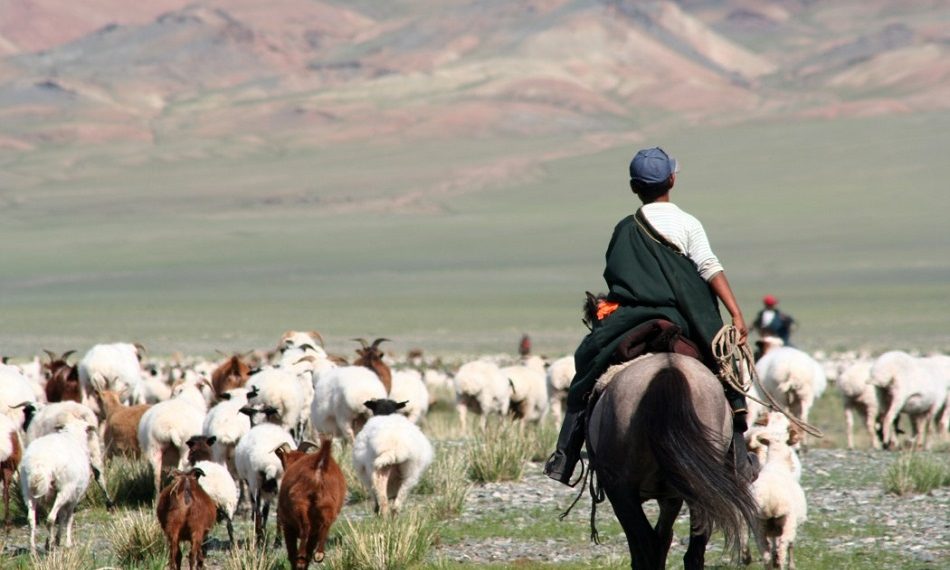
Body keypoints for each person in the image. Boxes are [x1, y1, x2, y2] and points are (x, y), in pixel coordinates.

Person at [544, 147, 755, 485]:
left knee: (588, 362)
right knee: (726, 366)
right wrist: (736, 313)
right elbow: (709, 267)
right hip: (686, 318)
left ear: (633, 187)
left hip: (633, 318)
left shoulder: (625, 229)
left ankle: (565, 455)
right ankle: (739, 453)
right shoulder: (688, 223)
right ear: (671, 179)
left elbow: (618, 278)